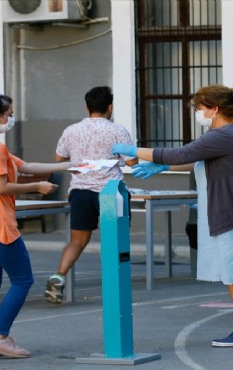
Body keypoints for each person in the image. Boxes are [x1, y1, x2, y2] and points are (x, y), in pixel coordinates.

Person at [112, 84, 233, 347]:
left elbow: (182, 153)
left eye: (199, 108)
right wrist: (161, 166)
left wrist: (134, 151)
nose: (197, 112)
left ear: (215, 109)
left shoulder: (225, 134)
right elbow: (198, 158)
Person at [0, 93, 76, 358]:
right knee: (23, 280)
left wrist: (72, 165)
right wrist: (38, 186)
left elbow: (26, 166)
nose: (11, 119)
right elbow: (0, 187)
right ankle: (0, 337)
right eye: (9, 115)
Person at [44, 86, 137, 304]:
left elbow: (59, 158)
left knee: (78, 240)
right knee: (115, 240)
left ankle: (59, 275)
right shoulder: (117, 130)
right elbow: (132, 161)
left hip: (81, 190)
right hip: (110, 191)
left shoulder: (71, 130)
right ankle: (114, 287)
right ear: (110, 107)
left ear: (87, 107)